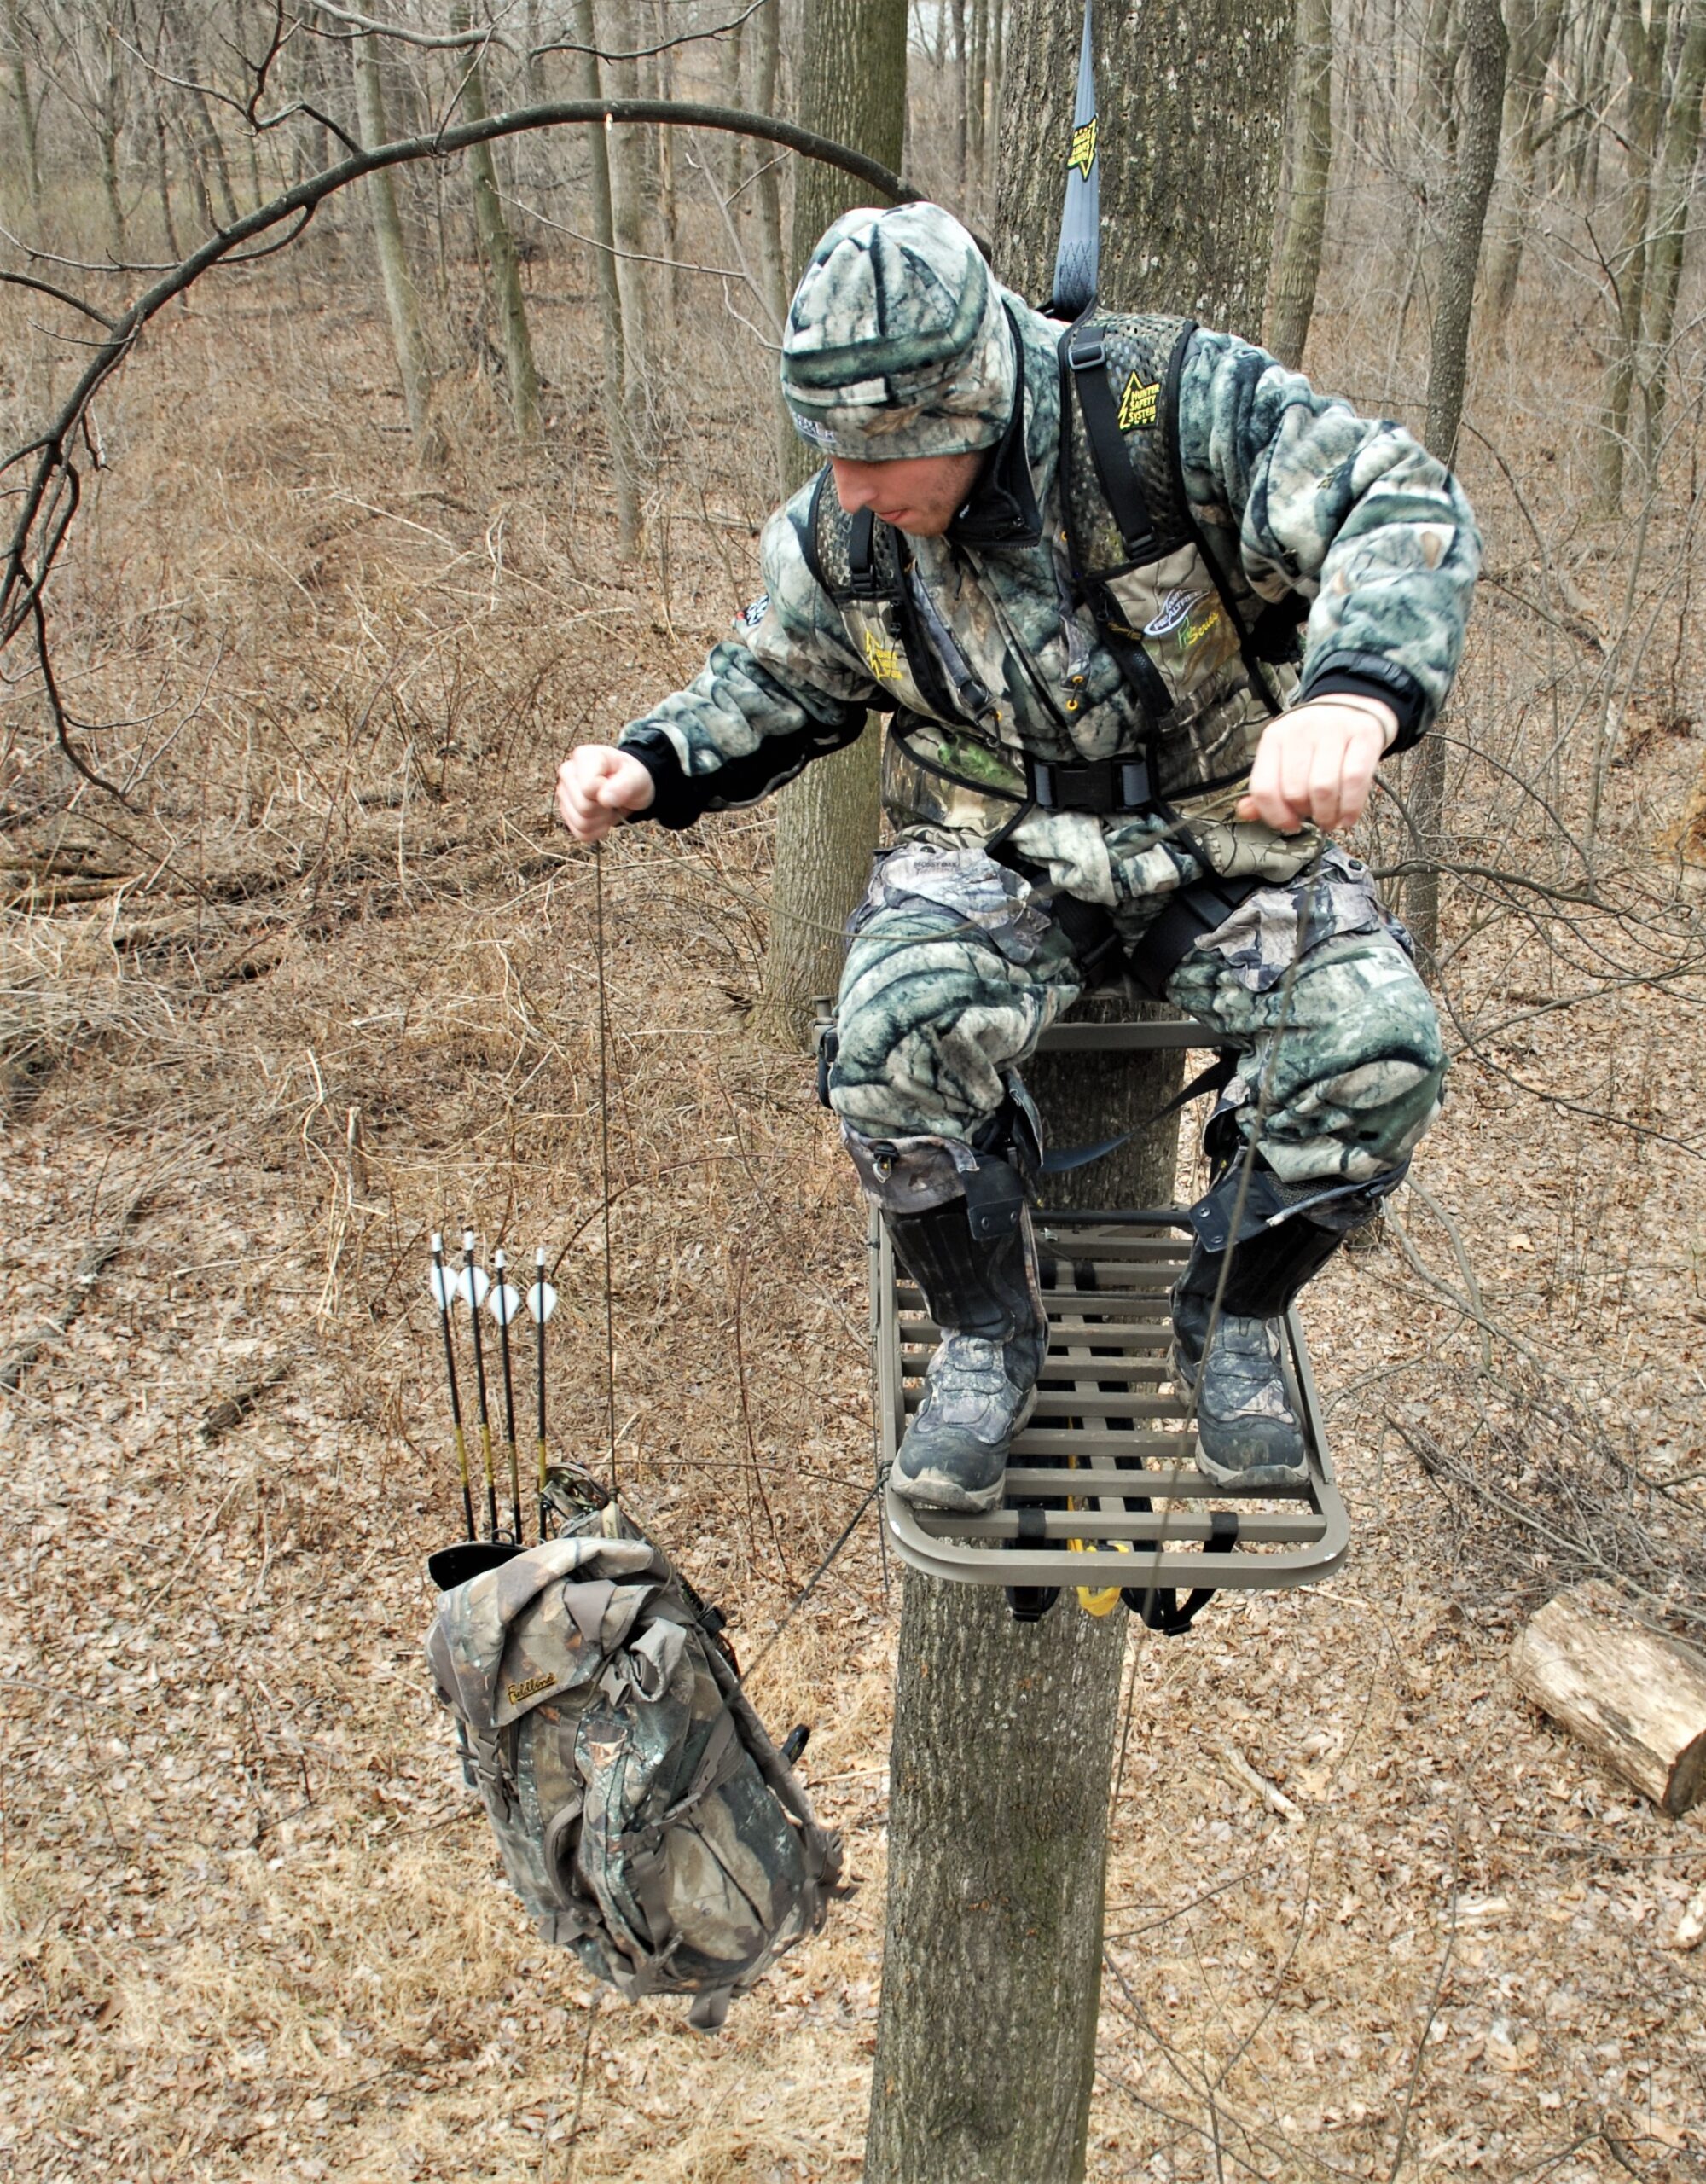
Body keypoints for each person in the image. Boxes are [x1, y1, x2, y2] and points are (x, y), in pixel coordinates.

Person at [557, 202, 1477, 1516]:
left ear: (972, 406)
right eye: (836, 456)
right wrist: (653, 761)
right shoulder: (849, 533)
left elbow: (1397, 497)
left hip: (1223, 830)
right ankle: (988, 1331)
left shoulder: (1166, 412)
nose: (856, 488)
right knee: (887, 1037)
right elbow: (774, 674)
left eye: (885, 456)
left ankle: (1232, 1315)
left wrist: (1355, 694)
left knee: (1376, 1042)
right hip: (992, 848)